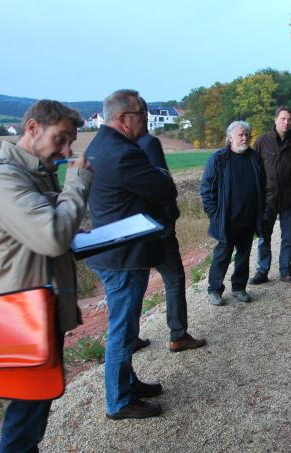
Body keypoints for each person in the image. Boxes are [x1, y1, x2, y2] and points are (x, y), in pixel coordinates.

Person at [0, 100, 92, 451]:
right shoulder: (5, 178)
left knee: (34, 403)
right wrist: (77, 184)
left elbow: (44, 230)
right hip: (21, 312)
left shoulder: (33, 172)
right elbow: (52, 237)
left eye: (71, 142)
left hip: (36, 306)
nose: (66, 150)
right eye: (60, 139)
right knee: (26, 412)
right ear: (33, 128)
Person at [86, 89, 177, 420]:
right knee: (123, 330)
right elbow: (165, 188)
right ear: (124, 118)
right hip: (124, 255)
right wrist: (162, 174)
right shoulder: (124, 153)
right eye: (142, 114)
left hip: (112, 249)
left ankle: (128, 383)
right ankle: (119, 400)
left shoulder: (98, 146)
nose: (147, 120)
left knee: (125, 325)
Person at [136, 133, 207, 352]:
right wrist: (169, 218)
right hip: (158, 229)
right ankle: (178, 335)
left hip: (133, 228)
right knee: (174, 279)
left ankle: (129, 337)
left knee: (136, 285)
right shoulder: (148, 142)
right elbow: (163, 185)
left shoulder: (118, 146)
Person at [200, 121, 265, 306]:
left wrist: (262, 211)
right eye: (240, 135)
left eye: (247, 135)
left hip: (249, 218)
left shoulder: (254, 157)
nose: (244, 138)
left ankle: (239, 287)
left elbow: (263, 184)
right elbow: (207, 188)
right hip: (227, 220)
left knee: (243, 257)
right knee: (222, 257)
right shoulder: (219, 159)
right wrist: (214, 214)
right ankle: (214, 290)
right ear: (230, 137)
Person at [249, 106, 291, 285]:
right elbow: (255, 168)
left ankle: (285, 271)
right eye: (283, 118)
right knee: (264, 237)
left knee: (288, 238)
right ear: (275, 120)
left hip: (290, 198)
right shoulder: (262, 141)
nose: (286, 122)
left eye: (289, 119)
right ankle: (262, 271)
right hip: (267, 199)